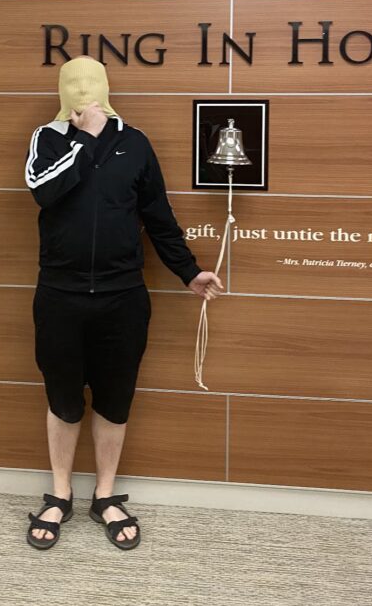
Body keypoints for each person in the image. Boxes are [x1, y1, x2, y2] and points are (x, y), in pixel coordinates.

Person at [23, 55, 223, 550]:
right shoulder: (47, 139)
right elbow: (42, 192)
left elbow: (158, 215)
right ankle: (61, 494)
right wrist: (81, 138)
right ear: (62, 89)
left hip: (123, 297)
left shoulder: (134, 143)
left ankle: (106, 496)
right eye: (73, 83)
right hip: (60, 296)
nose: (83, 90)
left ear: (106, 87)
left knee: (114, 401)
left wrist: (188, 271)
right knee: (63, 400)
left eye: (92, 82)